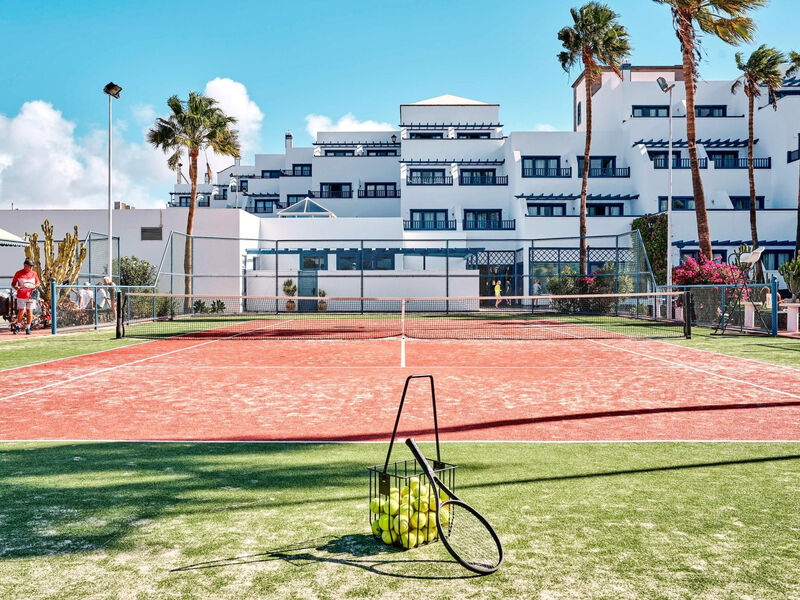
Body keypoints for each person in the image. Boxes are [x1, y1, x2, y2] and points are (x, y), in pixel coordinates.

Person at [11, 258, 40, 335]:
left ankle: (28, 328)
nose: (31, 268)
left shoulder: (34, 273)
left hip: (31, 296)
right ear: (25, 266)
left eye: (32, 266)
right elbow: (13, 283)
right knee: (21, 311)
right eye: (30, 266)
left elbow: (38, 283)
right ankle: (18, 326)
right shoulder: (18, 273)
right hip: (21, 296)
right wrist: (16, 288)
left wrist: (36, 285)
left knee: (29, 312)